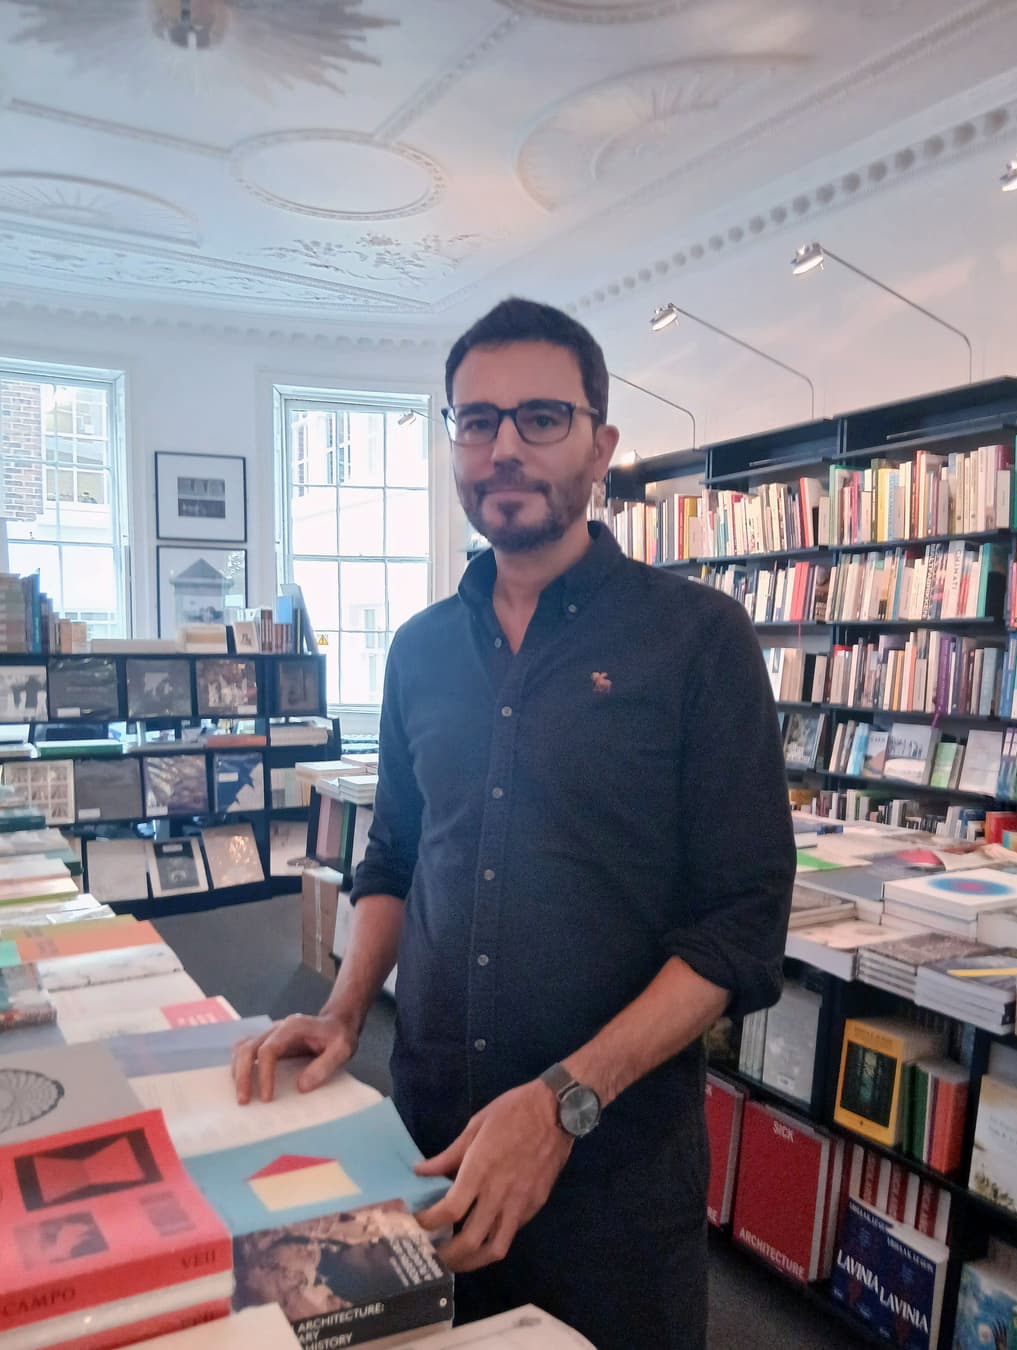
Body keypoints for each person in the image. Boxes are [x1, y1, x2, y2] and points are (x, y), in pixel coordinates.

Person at [233, 297, 795, 1349]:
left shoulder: (699, 643)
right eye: (476, 421)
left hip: (609, 1170)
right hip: (424, 1139)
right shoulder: (419, 651)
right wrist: (347, 1006)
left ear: (601, 444)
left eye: (542, 418)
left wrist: (563, 1103)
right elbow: (396, 854)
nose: (503, 448)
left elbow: (740, 925)